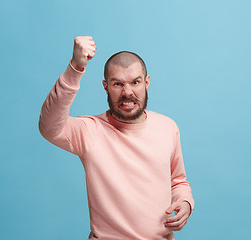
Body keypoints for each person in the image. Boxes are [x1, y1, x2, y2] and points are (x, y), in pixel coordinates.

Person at [39, 36, 194, 240]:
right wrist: (75, 68)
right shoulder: (90, 130)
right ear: (106, 87)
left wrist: (184, 203)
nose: (127, 92)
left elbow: (178, 181)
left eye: (135, 82)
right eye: (118, 84)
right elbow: (49, 126)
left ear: (147, 83)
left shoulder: (168, 126)